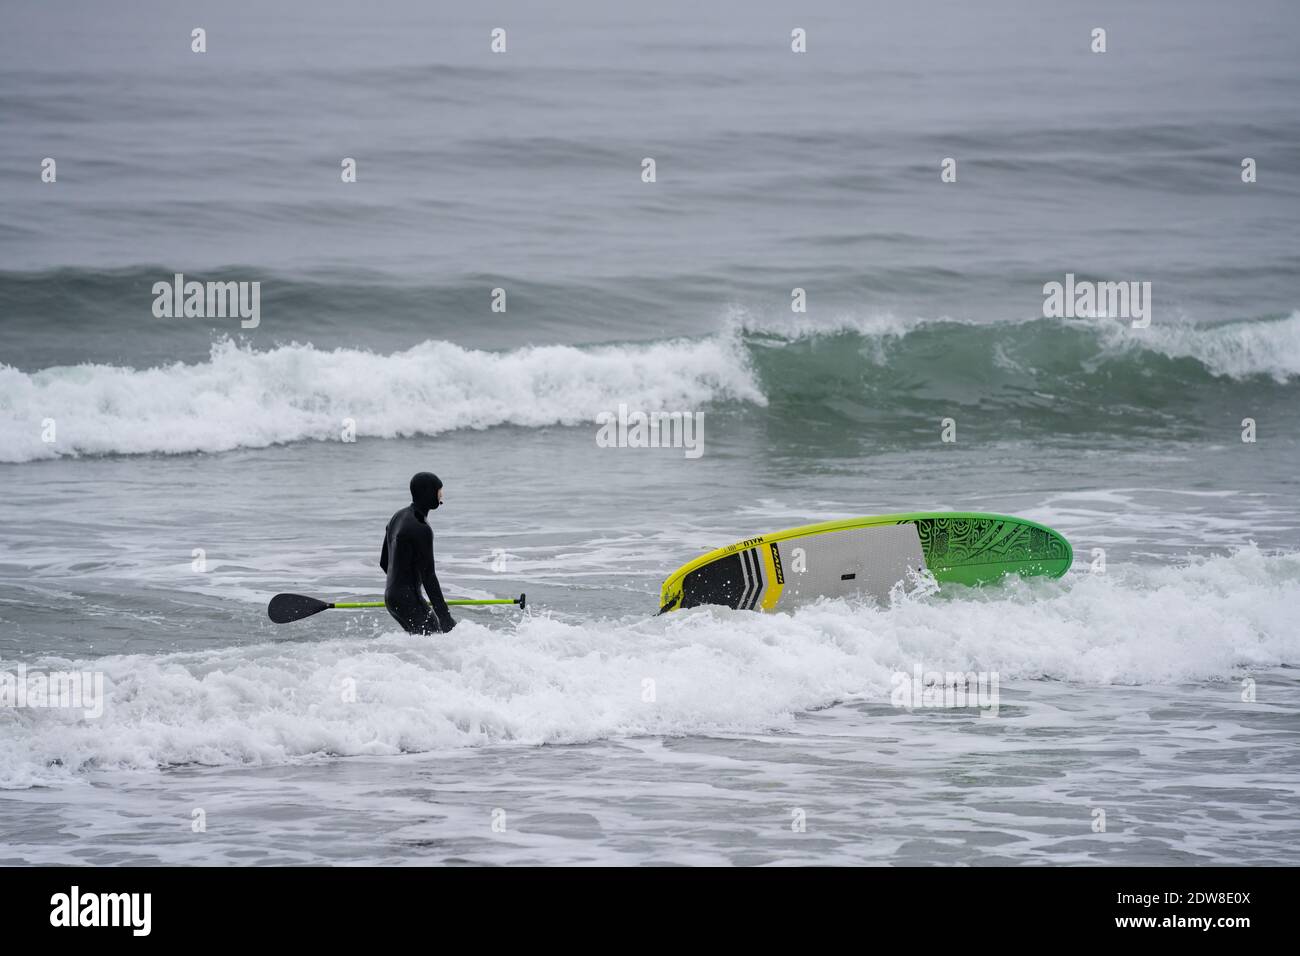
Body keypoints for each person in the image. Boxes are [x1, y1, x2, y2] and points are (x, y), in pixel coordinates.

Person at [379, 472, 456, 634]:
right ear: (428, 492)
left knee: (424, 644)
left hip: (392, 597)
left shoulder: (397, 517)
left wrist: (401, 588)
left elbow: (384, 562)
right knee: (436, 640)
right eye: (439, 490)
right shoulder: (421, 527)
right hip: (408, 599)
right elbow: (429, 576)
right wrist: (445, 616)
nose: (441, 495)